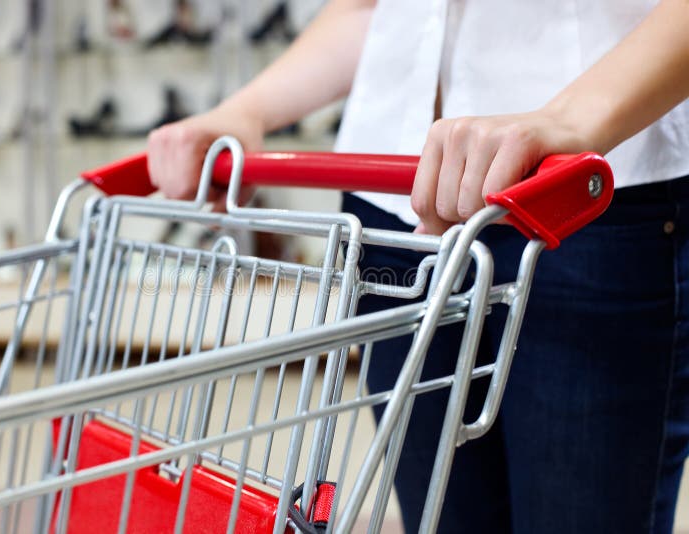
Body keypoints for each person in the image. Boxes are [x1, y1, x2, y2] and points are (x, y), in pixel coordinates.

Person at [146, 0, 689, 531]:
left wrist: (568, 117)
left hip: (586, 191)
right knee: (441, 516)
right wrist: (247, 110)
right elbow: (369, 8)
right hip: (391, 203)